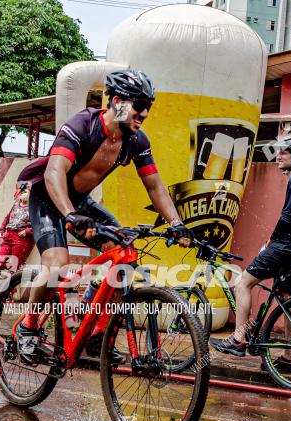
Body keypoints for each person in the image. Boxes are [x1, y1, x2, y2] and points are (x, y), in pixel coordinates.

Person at [13, 69, 192, 361]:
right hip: (50, 196)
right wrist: (70, 215)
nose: (145, 113)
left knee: (125, 255)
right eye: (139, 105)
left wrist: (177, 224)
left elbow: (155, 186)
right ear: (118, 101)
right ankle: (28, 329)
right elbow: (54, 171)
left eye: (149, 106)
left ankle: (96, 330)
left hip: (80, 202)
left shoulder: (136, 140)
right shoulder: (83, 125)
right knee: (58, 265)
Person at [210, 134, 291, 371]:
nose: (278, 156)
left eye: (284, 153)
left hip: (286, 246)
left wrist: (272, 241)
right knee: (287, 298)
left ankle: (238, 339)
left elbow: (288, 216)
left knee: (243, 283)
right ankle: (289, 358)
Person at [0, 181, 34, 271]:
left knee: (14, 267)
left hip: (21, 239)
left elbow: (39, 225)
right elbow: (8, 217)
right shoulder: (16, 203)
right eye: (21, 192)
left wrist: (27, 231)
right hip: (8, 237)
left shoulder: (34, 208)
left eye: (25, 192)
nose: (22, 194)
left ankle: (13, 283)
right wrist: (2, 230)